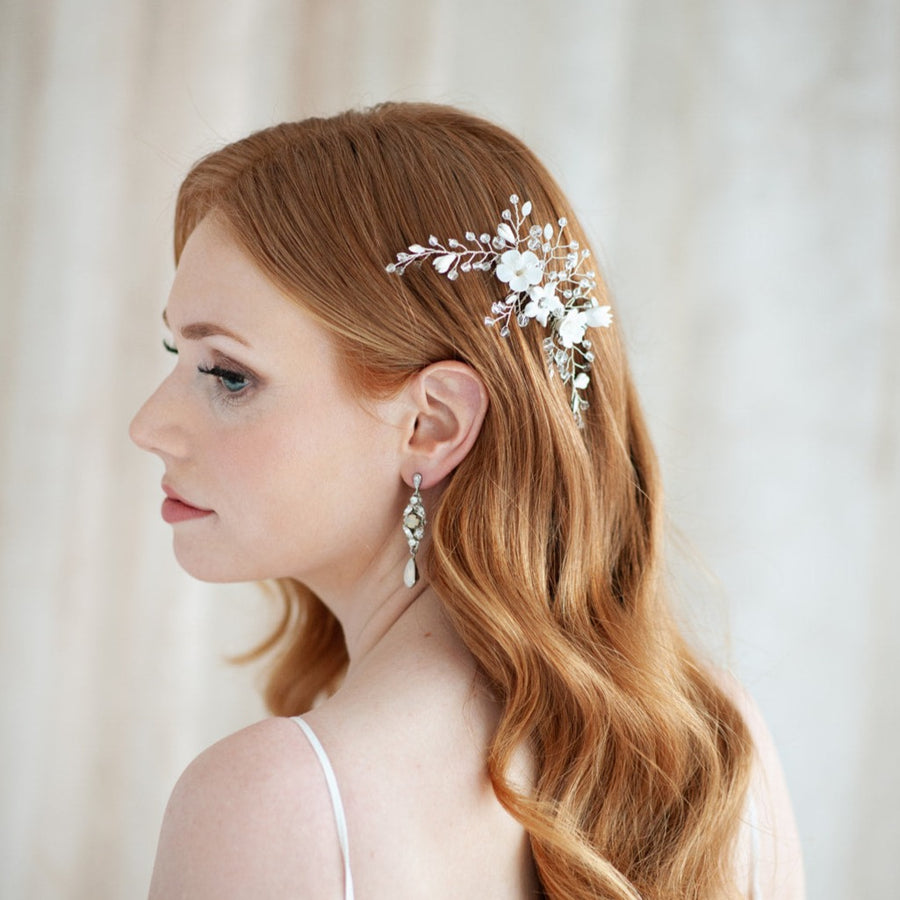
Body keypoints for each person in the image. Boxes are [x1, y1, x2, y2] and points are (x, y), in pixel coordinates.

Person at [130, 102, 804, 899]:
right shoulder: (719, 743)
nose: (149, 426)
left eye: (227, 375)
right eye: (179, 353)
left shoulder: (273, 804)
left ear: (433, 424)